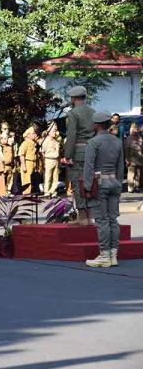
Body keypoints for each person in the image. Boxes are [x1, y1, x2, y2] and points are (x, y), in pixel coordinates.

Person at [83, 112, 124, 268]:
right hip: (114, 182)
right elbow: (121, 166)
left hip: (99, 183)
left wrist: (87, 187)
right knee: (113, 219)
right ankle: (113, 254)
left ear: (97, 125)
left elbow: (89, 167)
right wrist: (119, 183)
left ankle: (104, 255)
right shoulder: (117, 141)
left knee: (102, 221)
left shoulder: (94, 142)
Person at [62, 86, 95, 225]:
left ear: (73, 99)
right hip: (92, 152)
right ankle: (89, 217)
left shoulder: (73, 114)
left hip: (78, 152)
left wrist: (67, 155)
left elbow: (72, 135)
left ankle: (82, 217)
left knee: (77, 182)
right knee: (89, 183)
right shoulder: (93, 112)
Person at [41, 122, 61, 197]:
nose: (55, 132)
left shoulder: (56, 141)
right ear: (49, 132)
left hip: (55, 160)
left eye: (55, 131)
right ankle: (47, 191)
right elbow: (42, 152)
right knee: (48, 176)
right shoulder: (46, 141)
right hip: (49, 159)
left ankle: (54, 191)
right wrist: (43, 162)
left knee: (55, 177)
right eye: (53, 131)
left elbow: (58, 152)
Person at [18, 126, 39, 194]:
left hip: (34, 162)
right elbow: (21, 154)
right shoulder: (25, 143)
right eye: (33, 133)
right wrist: (23, 165)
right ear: (28, 135)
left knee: (33, 179)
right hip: (27, 162)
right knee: (27, 179)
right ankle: (26, 193)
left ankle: (32, 192)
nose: (34, 135)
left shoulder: (34, 143)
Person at [124, 123, 142, 192]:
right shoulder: (129, 138)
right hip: (131, 159)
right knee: (131, 173)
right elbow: (126, 150)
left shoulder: (140, 138)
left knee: (138, 173)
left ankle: (137, 186)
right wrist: (127, 160)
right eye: (134, 129)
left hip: (140, 159)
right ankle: (130, 188)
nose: (136, 130)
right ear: (131, 129)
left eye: (137, 129)